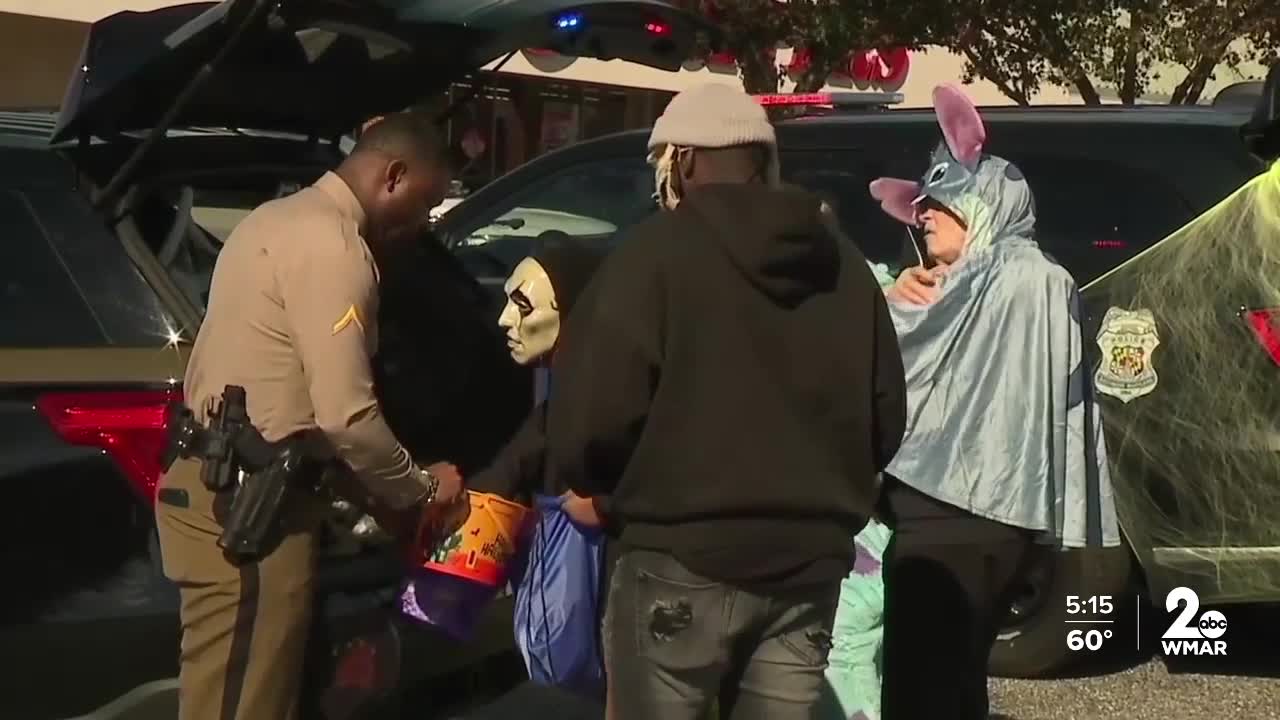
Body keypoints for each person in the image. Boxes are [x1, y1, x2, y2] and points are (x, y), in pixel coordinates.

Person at [541, 83, 908, 720]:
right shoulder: (845, 266)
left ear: (682, 160)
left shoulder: (654, 253)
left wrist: (601, 490)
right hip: (808, 570)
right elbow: (886, 420)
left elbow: (593, 414)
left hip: (677, 562)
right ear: (762, 162)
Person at [155, 111, 467, 720]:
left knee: (233, 690)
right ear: (394, 177)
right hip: (254, 513)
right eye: (425, 204)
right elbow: (348, 417)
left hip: (223, 486)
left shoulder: (273, 220)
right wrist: (422, 490)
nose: (421, 224)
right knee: (245, 702)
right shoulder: (335, 248)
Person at [862, 84, 1121, 720]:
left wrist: (890, 305)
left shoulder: (1016, 279)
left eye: (939, 204)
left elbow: (877, 351)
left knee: (921, 688)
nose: (923, 216)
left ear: (982, 205)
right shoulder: (1018, 280)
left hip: (950, 522)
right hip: (984, 524)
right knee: (956, 680)